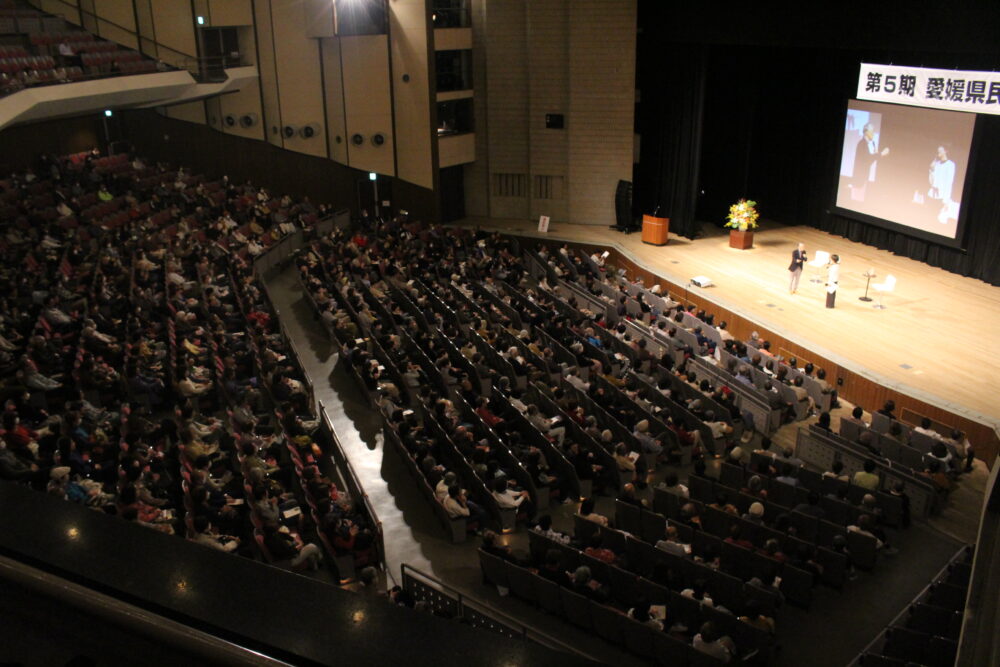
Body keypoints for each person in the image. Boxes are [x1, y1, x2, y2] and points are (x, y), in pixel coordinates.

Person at [852, 122, 890, 192]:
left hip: (861, 182)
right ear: (866, 132)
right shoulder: (862, 144)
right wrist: (881, 154)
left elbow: (868, 159)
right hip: (859, 184)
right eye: (872, 131)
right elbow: (867, 160)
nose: (873, 133)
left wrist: (877, 155)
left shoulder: (864, 144)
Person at [928, 145, 957, 224]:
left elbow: (949, 183)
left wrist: (946, 200)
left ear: (946, 151)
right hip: (932, 195)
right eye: (938, 151)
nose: (939, 153)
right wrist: (931, 170)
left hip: (941, 197)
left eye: (941, 151)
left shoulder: (950, 165)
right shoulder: (936, 164)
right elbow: (931, 182)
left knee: (936, 219)